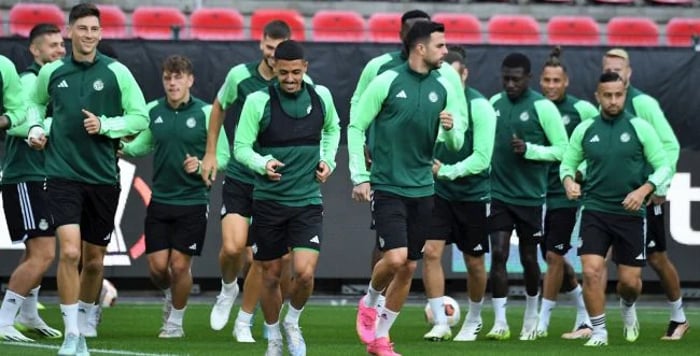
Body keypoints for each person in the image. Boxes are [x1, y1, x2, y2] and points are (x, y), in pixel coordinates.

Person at [27, 3, 149, 354]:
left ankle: (83, 318)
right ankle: (71, 334)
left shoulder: (117, 73)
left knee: (94, 260)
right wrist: (36, 126)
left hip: (102, 177)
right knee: (68, 251)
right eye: (82, 29)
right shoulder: (52, 72)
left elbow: (139, 117)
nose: (89, 35)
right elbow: (35, 105)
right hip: (61, 173)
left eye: (95, 29)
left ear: (100, 32)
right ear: (69, 32)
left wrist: (106, 126)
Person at [350, 21, 466, 355]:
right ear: (420, 48)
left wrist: (449, 129)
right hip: (388, 185)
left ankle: (381, 339)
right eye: (440, 46)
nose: (446, 52)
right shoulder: (386, 81)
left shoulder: (443, 86)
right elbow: (356, 126)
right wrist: (360, 176)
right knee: (396, 258)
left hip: (423, 189)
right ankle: (370, 301)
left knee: (410, 266)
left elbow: (454, 143)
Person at [233, 40, 340, 356]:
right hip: (268, 202)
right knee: (271, 275)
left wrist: (328, 160)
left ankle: (292, 322)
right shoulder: (257, 101)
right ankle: (274, 338)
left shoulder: (321, 97)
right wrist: (261, 163)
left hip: (307, 200)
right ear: (274, 69)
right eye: (283, 73)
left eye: (295, 72)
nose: (290, 78)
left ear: (305, 68)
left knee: (305, 274)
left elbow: (333, 129)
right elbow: (241, 147)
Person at [199, 20, 299, 342]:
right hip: (242, 174)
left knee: (262, 255)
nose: (273, 56)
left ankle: (244, 320)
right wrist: (211, 152)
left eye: (278, 49)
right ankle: (228, 288)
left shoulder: (296, 82)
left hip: (274, 180)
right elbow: (218, 107)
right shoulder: (239, 76)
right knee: (232, 248)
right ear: (261, 44)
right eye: (269, 48)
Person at [560, 71, 672, 346]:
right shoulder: (585, 129)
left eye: (618, 95)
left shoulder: (639, 127)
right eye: (607, 96)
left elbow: (664, 166)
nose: (613, 101)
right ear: (598, 97)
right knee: (591, 270)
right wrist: (568, 181)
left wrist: (644, 190)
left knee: (630, 284)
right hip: (594, 210)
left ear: (624, 95)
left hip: (631, 215)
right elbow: (567, 163)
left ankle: (627, 305)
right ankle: (599, 331)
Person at [121, 55, 229, 338]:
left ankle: (174, 322)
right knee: (158, 270)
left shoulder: (207, 113)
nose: (172, 83)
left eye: (178, 77)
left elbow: (224, 156)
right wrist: (119, 146)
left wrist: (203, 164)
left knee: (180, 266)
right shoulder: (153, 110)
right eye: (168, 78)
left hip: (193, 200)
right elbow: (142, 144)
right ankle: (171, 294)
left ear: (190, 80)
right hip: (160, 200)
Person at [602, 48, 688, 340]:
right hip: (608, 198)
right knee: (594, 259)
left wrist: (659, 187)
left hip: (644, 196)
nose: (614, 72)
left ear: (629, 73)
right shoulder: (602, 103)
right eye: (609, 67)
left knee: (656, 257)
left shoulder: (643, 103)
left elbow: (670, 146)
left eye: (619, 68)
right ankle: (589, 322)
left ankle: (678, 317)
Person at [486, 52, 568, 341]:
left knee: (529, 259)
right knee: (497, 254)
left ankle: (532, 315)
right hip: (498, 194)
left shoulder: (543, 108)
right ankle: (499, 321)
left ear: (528, 79)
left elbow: (563, 149)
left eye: (515, 79)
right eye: (505, 78)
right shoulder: (493, 105)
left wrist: (531, 150)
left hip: (530, 197)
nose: (510, 84)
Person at [421, 47, 496, 342]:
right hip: (439, 193)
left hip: (473, 195)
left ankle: (474, 318)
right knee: (431, 252)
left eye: (453, 75)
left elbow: (482, 158)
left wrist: (446, 171)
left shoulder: (480, 107)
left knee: (474, 263)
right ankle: (440, 321)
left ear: (465, 74)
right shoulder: (432, 102)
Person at [0, 23, 65, 343]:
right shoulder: (27, 80)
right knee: (42, 253)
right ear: (34, 50)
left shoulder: (52, 81)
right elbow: (20, 123)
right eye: (52, 45)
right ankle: (4, 320)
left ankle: (27, 314)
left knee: (37, 251)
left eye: (61, 44)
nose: (60, 50)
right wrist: (48, 127)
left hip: (42, 176)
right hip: (26, 176)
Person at [535, 47, 598, 340]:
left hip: (565, 195)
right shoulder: (532, 107)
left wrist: (577, 175)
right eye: (546, 80)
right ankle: (584, 316)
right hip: (534, 193)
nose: (550, 86)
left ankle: (542, 322)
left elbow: (598, 146)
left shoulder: (582, 110)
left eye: (556, 80)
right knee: (555, 259)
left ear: (566, 81)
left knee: (554, 255)